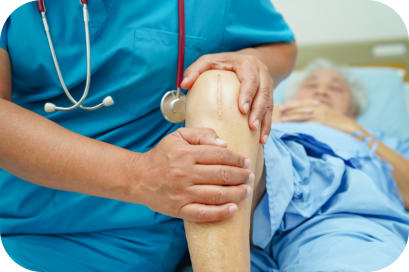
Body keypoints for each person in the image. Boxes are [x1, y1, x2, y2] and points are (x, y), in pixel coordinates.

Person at [0, 1, 296, 271]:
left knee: (224, 85)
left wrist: (248, 60)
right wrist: (141, 175)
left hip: (179, 232)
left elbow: (280, 46)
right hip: (39, 230)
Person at [247, 59, 409, 271]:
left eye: (336, 88)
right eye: (311, 85)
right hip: (245, 232)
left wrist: (349, 128)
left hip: (340, 222)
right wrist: (261, 123)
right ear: (292, 97)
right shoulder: (265, 122)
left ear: (352, 110)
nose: (321, 92)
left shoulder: (379, 141)